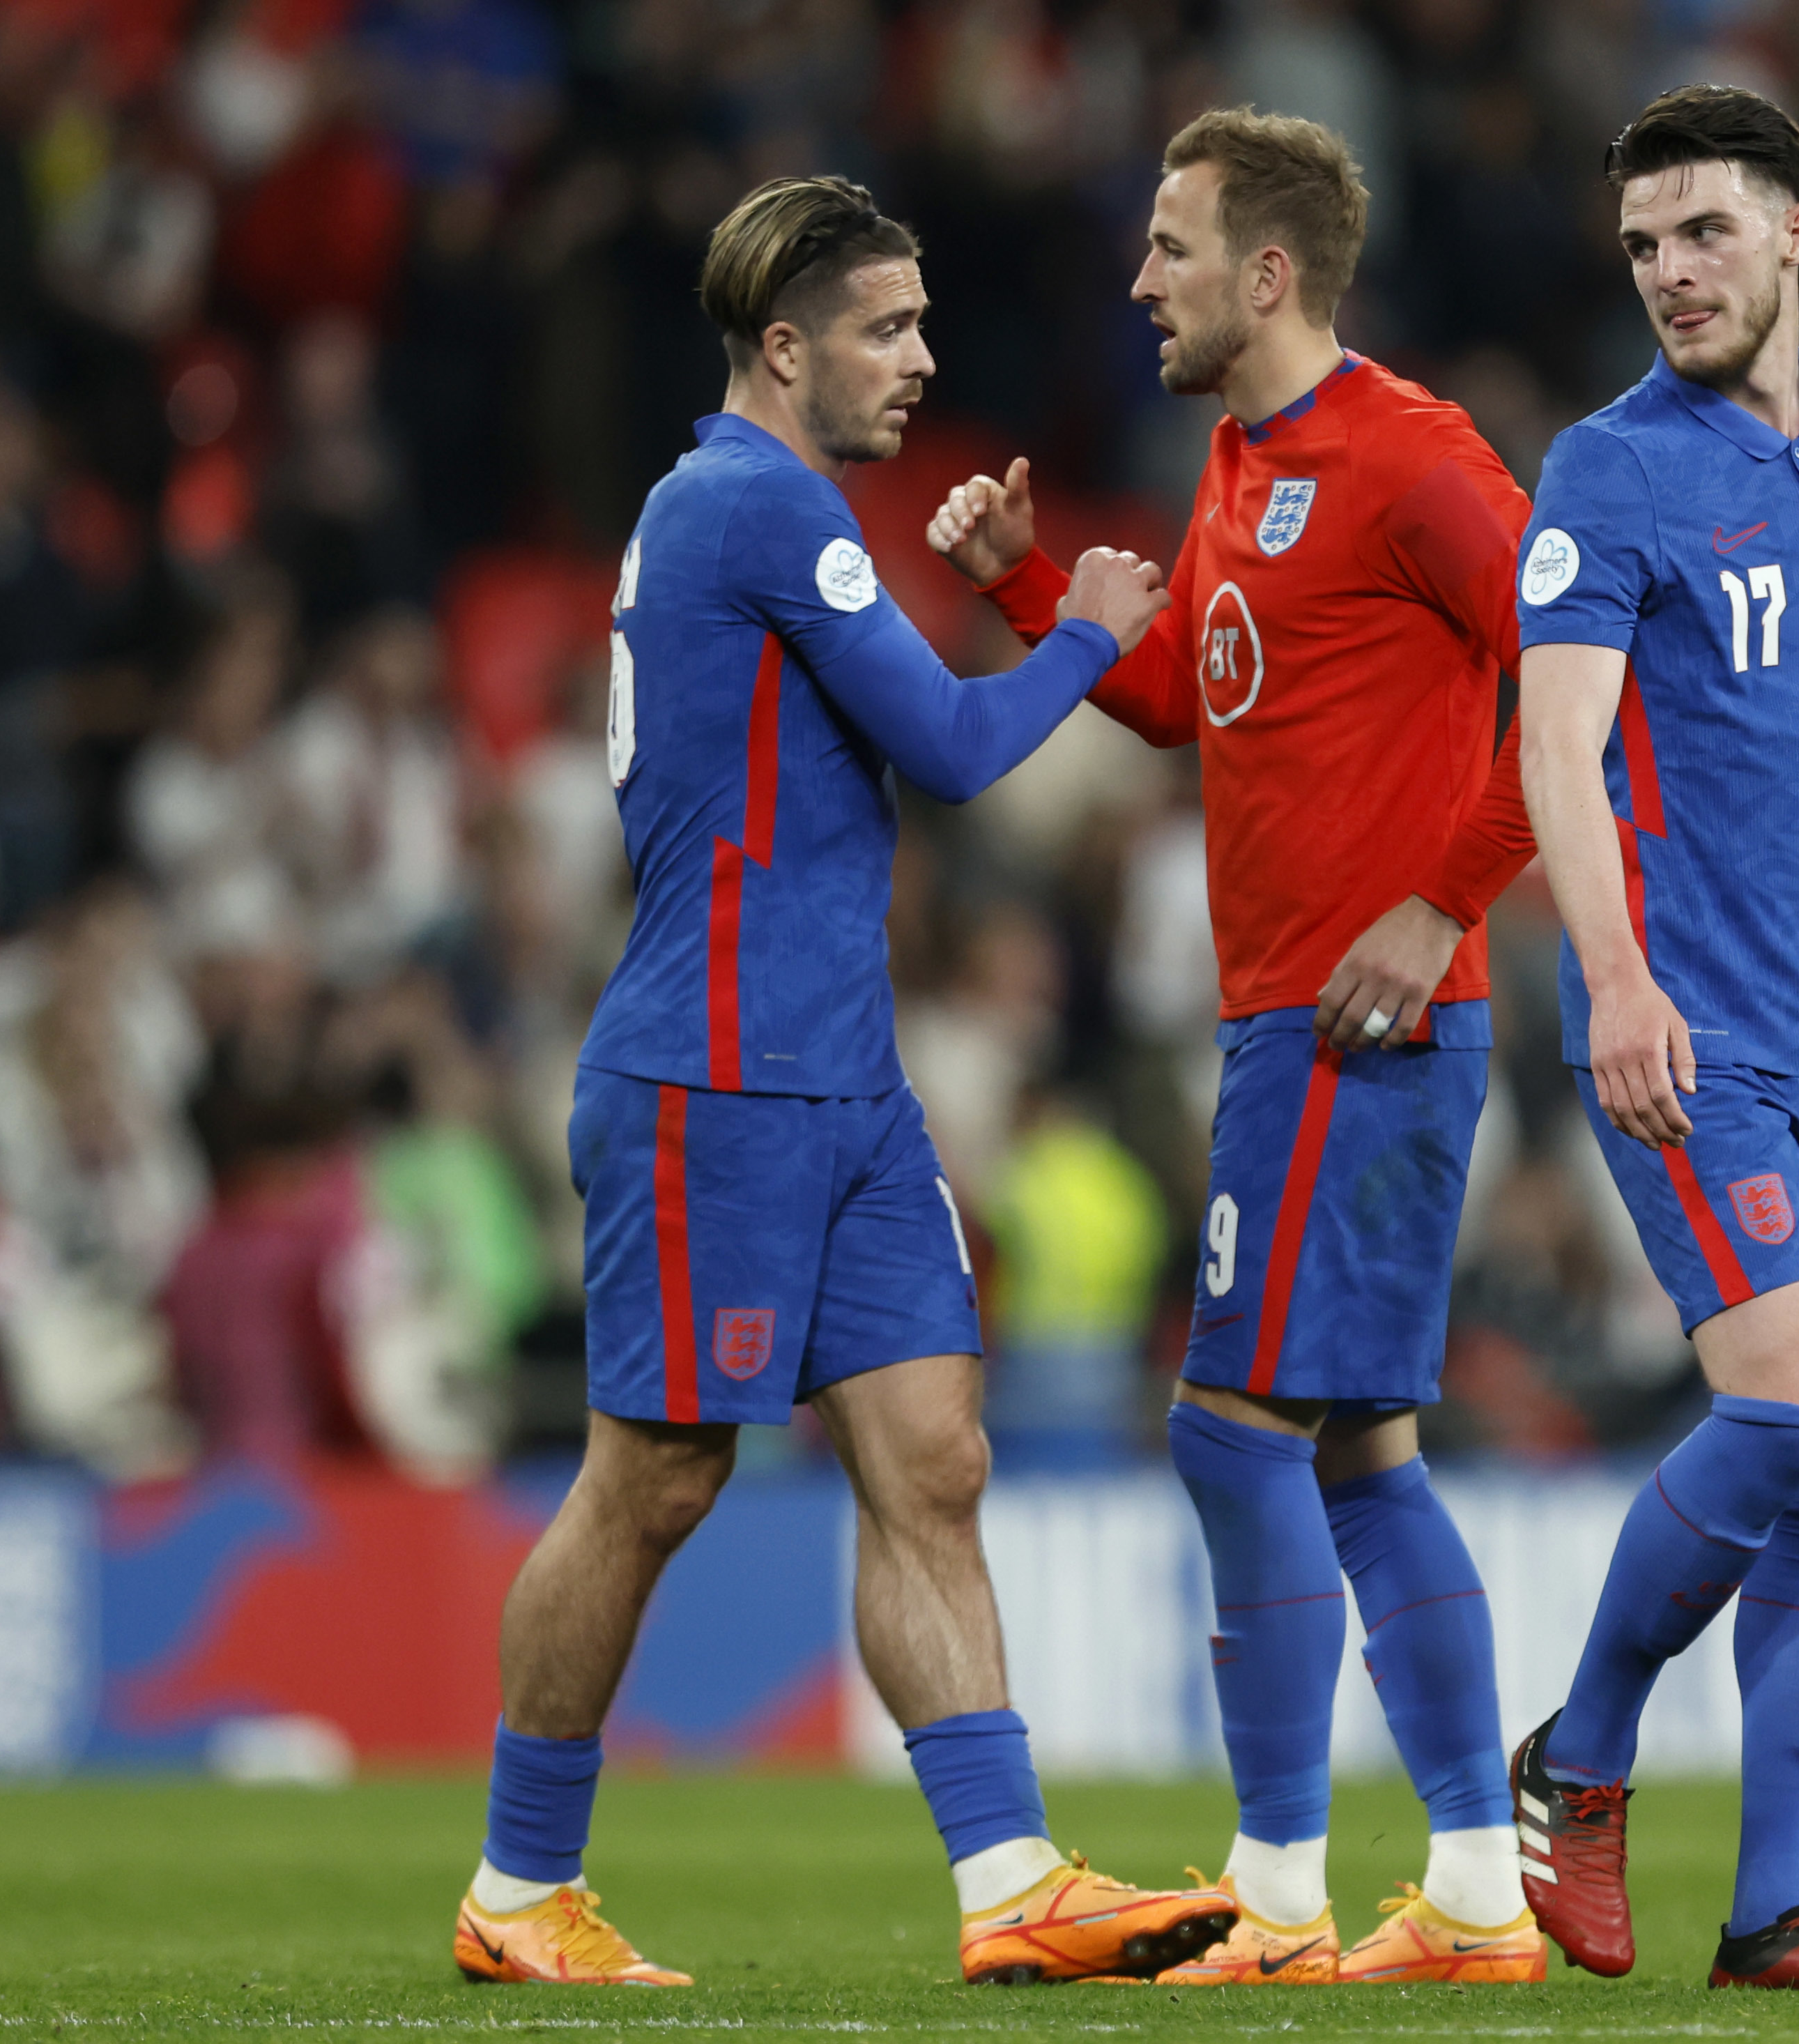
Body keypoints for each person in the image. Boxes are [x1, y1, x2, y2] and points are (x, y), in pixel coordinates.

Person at [449, 176, 1234, 1990]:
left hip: (844, 1080)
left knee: (933, 1460)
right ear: (786, 349)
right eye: (888, 327)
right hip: (713, 1073)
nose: (923, 358)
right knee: (650, 1480)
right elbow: (956, 746)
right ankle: (517, 1885)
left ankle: (1011, 1878)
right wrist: (1089, 622)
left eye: (924, 322)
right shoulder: (746, 504)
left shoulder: (770, 511)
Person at [928, 109, 1542, 1986]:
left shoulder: (1409, 456)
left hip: (1363, 1021)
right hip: (1296, 1019)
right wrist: (1036, 592)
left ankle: (1275, 1895)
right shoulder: (1236, 463)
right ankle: (1469, 1892)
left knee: (1223, 1432)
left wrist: (1443, 900)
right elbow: (1192, 699)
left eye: (1170, 247)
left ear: (1265, 273)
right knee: (1357, 1450)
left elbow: (1582, 669)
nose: (1140, 280)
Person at [1506, 86, 1799, 1991]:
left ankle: (1772, 1907)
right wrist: (1611, 974)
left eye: (1700, 232)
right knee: (1775, 1398)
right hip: (1685, 1020)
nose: (1667, 273)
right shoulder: (1606, 470)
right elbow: (1554, 741)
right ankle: (1577, 1753)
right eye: (1639, 246)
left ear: (1796, 232)